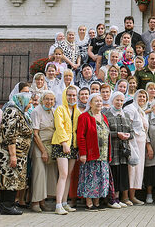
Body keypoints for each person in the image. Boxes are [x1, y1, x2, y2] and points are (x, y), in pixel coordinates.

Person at [0, 92, 33, 215]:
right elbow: (10, 135)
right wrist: (13, 155)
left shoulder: (19, 112)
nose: (30, 104)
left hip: (17, 153)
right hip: (10, 153)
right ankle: (7, 206)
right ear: (21, 101)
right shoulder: (12, 111)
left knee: (10, 178)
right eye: (29, 102)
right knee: (10, 179)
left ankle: (4, 206)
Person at [77, 93, 112, 211]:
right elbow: (80, 136)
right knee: (90, 179)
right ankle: (89, 203)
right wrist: (83, 153)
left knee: (101, 178)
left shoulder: (104, 117)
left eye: (101, 101)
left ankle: (97, 202)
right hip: (91, 154)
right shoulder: (84, 117)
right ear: (90, 103)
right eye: (96, 101)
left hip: (103, 154)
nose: (99, 103)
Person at [52, 85, 80, 215]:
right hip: (61, 144)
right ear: (65, 96)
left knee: (68, 175)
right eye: (69, 95)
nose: (71, 97)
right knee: (63, 174)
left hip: (73, 145)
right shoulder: (60, 109)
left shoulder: (77, 111)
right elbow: (59, 126)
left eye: (74, 95)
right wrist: (64, 143)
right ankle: (58, 205)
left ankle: (64, 202)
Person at [104, 92, 134, 206]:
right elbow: (105, 132)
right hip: (113, 150)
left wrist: (127, 136)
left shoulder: (125, 114)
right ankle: (112, 199)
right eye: (117, 100)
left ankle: (118, 198)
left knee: (122, 174)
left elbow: (131, 132)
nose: (119, 103)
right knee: (114, 174)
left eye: (121, 100)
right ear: (112, 100)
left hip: (123, 151)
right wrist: (117, 134)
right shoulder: (106, 114)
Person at [29, 91, 57, 212]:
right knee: (38, 174)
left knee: (47, 174)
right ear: (42, 99)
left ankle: (43, 201)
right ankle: (35, 202)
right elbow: (35, 134)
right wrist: (43, 151)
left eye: (51, 99)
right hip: (39, 145)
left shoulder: (54, 111)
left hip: (51, 145)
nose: (49, 102)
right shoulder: (36, 111)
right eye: (47, 99)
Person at [125, 90, 149, 204]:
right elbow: (126, 125)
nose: (142, 98)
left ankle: (132, 196)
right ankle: (126, 197)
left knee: (137, 170)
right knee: (130, 169)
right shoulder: (130, 108)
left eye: (144, 97)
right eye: (140, 96)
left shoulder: (142, 111)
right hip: (132, 143)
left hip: (140, 144)